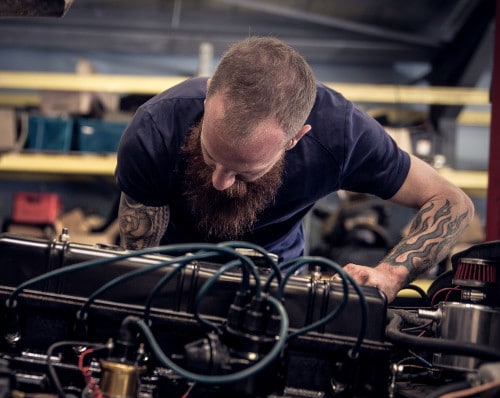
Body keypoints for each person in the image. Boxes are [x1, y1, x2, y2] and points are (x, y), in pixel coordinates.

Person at [115, 36, 474, 304]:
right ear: (210, 96)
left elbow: (452, 201)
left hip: (276, 292)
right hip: (170, 280)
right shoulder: (156, 128)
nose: (220, 181)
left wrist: (391, 273)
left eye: (244, 172)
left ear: (295, 138)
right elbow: (139, 256)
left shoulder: (340, 134)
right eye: (211, 156)